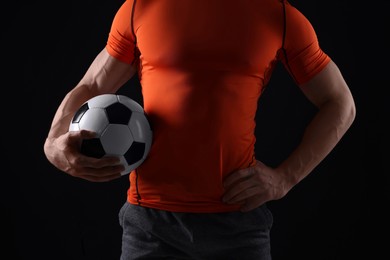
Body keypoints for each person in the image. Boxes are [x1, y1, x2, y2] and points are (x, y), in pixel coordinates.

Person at [43, 0, 356, 259]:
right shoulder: (141, 6)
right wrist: (53, 144)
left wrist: (285, 178)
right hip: (150, 228)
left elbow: (340, 103)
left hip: (239, 226)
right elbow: (94, 85)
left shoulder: (279, 14)